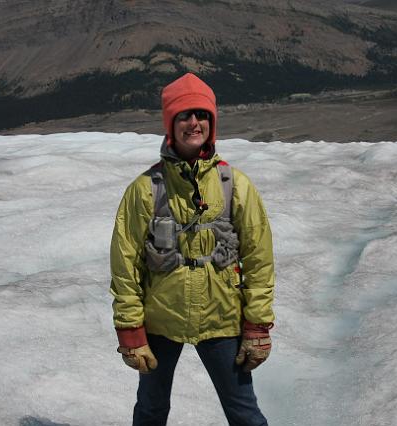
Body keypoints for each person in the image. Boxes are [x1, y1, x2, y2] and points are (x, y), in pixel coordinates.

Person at [110, 72, 275, 426]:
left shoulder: (234, 184)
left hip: (222, 318)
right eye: (184, 115)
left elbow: (259, 259)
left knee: (244, 413)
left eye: (201, 115)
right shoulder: (145, 189)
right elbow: (125, 262)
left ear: (211, 123)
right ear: (171, 123)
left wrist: (257, 326)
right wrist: (130, 329)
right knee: (151, 410)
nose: (194, 122)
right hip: (160, 320)